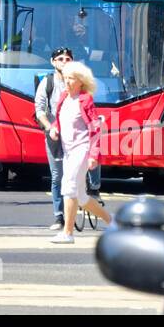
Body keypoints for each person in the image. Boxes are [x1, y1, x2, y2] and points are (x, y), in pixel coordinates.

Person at [49, 60, 113, 243]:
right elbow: (59, 121)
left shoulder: (86, 100)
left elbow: (95, 128)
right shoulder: (63, 97)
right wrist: (54, 128)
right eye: (66, 78)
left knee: (68, 186)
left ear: (81, 82)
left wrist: (94, 155)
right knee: (82, 196)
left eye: (72, 79)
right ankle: (112, 221)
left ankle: (67, 234)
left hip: (82, 149)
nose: (67, 82)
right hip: (68, 151)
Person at [35, 47, 73, 231]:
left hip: (75, 135)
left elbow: (87, 104)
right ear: (53, 62)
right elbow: (40, 110)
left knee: (80, 170)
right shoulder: (47, 83)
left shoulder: (77, 82)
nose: (64, 61)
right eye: (60, 59)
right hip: (54, 134)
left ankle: (93, 190)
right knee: (57, 176)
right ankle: (59, 216)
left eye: (67, 59)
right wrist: (50, 128)